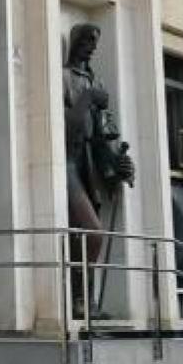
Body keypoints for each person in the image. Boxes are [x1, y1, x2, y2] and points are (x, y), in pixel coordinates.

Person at [64, 23, 134, 318]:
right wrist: (88, 97)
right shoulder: (63, 77)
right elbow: (67, 129)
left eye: (96, 41)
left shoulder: (96, 81)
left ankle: (86, 301)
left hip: (88, 165)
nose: (92, 46)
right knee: (92, 234)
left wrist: (119, 165)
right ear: (76, 41)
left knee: (84, 237)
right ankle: (79, 301)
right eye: (88, 39)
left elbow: (105, 135)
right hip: (67, 162)